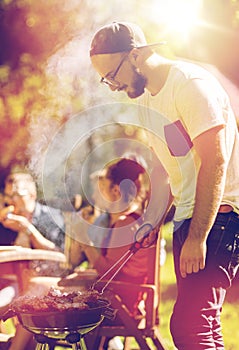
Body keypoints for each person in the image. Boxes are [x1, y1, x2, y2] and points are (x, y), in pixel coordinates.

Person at [89, 22, 239, 350]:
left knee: (190, 324)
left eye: (113, 75)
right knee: (202, 323)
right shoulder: (147, 102)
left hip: (221, 216)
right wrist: (152, 221)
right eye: (106, 80)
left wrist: (199, 236)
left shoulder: (190, 85)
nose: (112, 86)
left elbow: (215, 161)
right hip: (190, 218)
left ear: (136, 54)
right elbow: (171, 168)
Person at [0, 171, 66, 350]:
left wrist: (28, 229)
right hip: (11, 281)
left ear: (32, 194)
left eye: (16, 195)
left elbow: (59, 254)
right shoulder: (7, 222)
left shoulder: (50, 217)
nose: (11, 200)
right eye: (7, 195)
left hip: (40, 283)